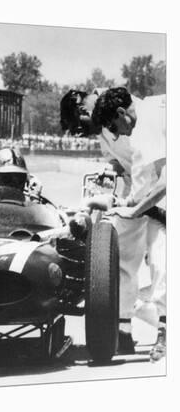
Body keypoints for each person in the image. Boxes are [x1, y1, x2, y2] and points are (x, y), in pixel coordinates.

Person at [92, 87, 166, 361]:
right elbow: (145, 182)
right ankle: (127, 327)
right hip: (158, 204)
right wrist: (127, 204)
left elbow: (167, 180)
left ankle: (167, 333)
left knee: (161, 263)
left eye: (115, 126)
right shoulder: (143, 121)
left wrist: (135, 209)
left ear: (122, 113)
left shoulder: (146, 124)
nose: (118, 133)